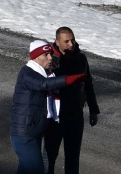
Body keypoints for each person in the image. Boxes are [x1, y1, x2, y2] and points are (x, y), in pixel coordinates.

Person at [12, 40, 86, 174]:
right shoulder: (27, 73)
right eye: (45, 55)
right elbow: (43, 84)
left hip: (34, 132)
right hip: (24, 135)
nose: (50, 58)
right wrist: (68, 79)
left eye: (50, 54)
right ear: (35, 57)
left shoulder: (46, 72)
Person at [45, 27, 99, 174]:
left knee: (73, 159)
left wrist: (93, 110)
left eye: (73, 40)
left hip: (75, 116)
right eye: (66, 41)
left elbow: (88, 84)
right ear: (57, 42)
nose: (71, 44)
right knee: (49, 157)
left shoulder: (81, 59)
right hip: (54, 119)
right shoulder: (49, 60)